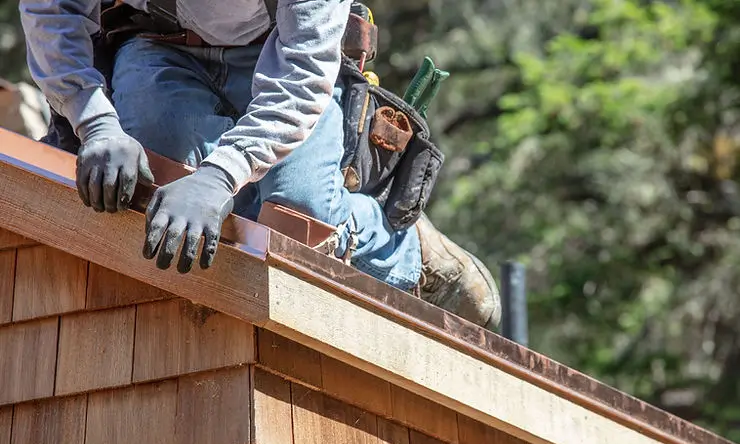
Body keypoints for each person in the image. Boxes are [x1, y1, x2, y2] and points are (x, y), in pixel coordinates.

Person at [19, 0, 501, 330]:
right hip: (157, 47)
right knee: (154, 188)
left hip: (281, 54)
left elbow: (302, 76)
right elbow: (50, 12)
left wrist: (220, 176)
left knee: (296, 225)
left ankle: (407, 253)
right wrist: (95, 122)